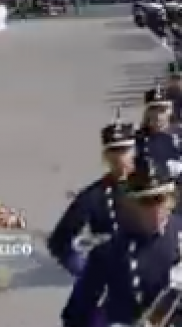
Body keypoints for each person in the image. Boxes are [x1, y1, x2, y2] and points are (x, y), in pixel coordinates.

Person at [60, 159, 182, 327]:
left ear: (171, 199)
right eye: (145, 202)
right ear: (130, 204)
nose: (154, 210)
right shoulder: (108, 253)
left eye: (160, 199)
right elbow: (75, 316)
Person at [48, 114, 137, 277]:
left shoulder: (155, 190)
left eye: (124, 150)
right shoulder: (93, 197)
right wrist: (85, 271)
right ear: (105, 157)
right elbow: (59, 241)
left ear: (134, 151)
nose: (119, 157)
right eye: (113, 151)